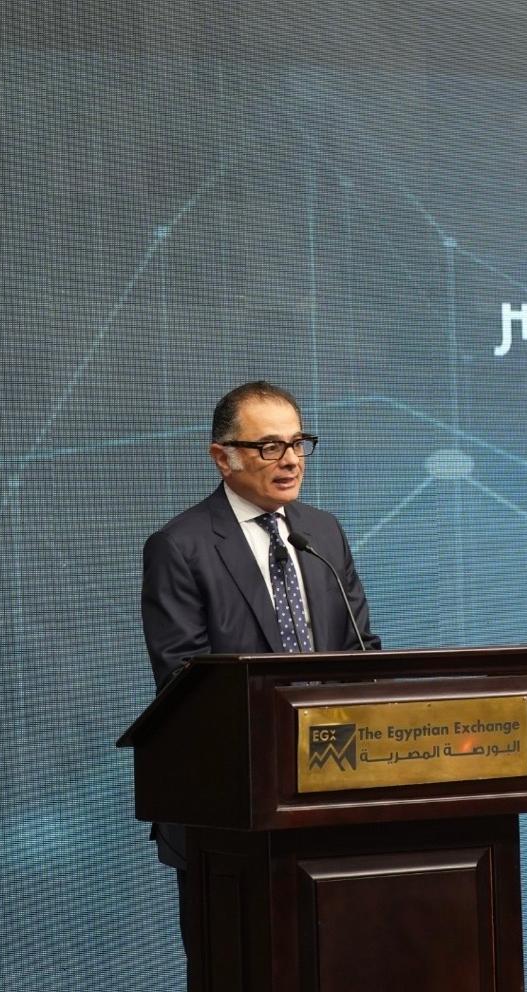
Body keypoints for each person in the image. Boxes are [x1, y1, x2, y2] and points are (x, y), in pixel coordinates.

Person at [141, 380, 380, 950]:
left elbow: (359, 651)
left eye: (298, 443)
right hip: (231, 814)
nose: (291, 460)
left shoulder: (322, 533)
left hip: (332, 796)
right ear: (222, 457)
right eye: (270, 446)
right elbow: (184, 684)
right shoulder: (181, 546)